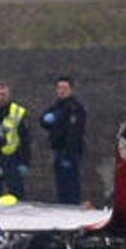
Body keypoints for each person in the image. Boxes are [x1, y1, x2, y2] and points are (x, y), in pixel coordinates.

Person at [39, 76, 86, 204]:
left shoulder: (75, 108)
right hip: (57, 149)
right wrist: (47, 119)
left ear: (71, 90)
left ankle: (72, 207)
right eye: (59, 88)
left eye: (64, 88)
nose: (61, 91)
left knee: (71, 184)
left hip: (71, 152)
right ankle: (63, 206)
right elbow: (43, 121)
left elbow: (75, 132)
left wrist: (68, 154)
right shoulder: (56, 106)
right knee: (60, 185)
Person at [0, 81, 31, 199]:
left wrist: (24, 162)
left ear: (9, 94)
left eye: (4, 94)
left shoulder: (18, 112)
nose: (1, 97)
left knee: (16, 192)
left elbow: (25, 138)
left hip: (13, 157)